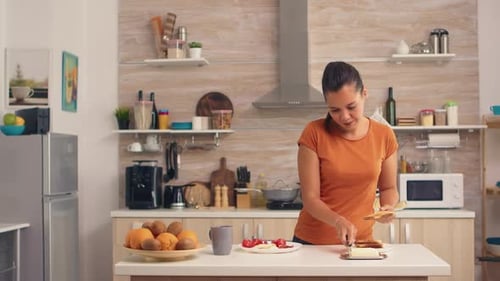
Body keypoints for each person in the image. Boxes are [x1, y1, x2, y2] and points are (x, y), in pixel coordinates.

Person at [293, 61, 399, 246]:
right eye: (334, 110)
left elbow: (389, 188)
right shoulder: (314, 133)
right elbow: (310, 199)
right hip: (312, 244)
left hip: (361, 242)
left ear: (364, 93)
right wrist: (338, 220)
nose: (344, 117)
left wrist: (388, 206)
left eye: (351, 107)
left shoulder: (384, 135)